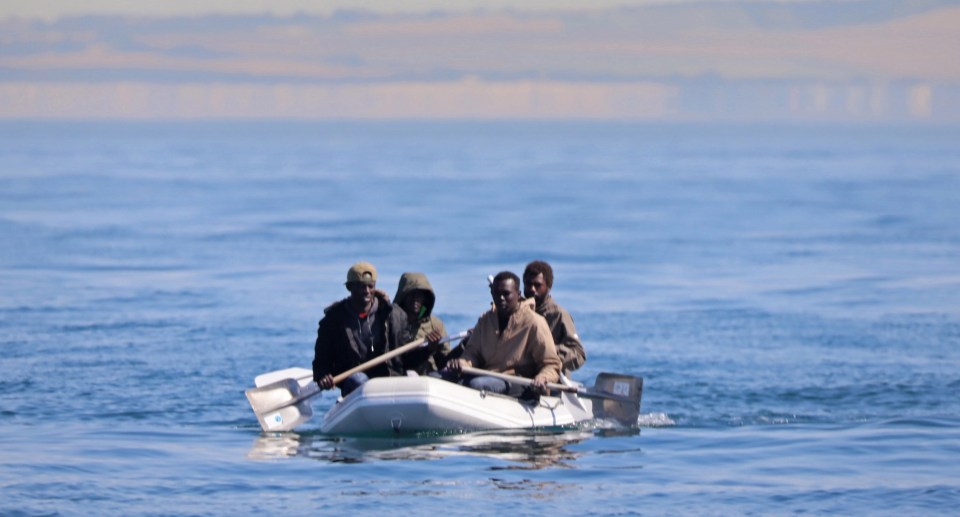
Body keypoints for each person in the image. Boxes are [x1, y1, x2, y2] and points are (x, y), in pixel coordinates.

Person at [446, 271, 562, 396]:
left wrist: (543, 378)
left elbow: (551, 364)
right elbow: (472, 354)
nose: (501, 298)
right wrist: (461, 364)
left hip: (517, 381)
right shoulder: (485, 320)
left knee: (478, 385)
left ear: (518, 294)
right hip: (487, 375)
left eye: (506, 294)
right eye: (497, 293)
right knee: (437, 376)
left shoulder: (534, 322)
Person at [312, 261, 409, 396]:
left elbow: (408, 355)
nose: (367, 291)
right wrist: (323, 375)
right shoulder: (333, 320)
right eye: (361, 287)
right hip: (355, 383)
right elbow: (321, 360)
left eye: (371, 286)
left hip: (388, 380)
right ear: (349, 288)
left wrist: (430, 348)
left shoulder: (393, 315)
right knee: (358, 380)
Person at [522, 260, 586, 374]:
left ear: (548, 286)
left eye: (537, 285)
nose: (532, 289)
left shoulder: (559, 315)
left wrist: (549, 353)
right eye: (528, 284)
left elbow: (579, 354)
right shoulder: (517, 312)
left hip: (550, 379)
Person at [393, 272, 449, 374]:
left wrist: (463, 345)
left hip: (431, 379)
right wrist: (427, 349)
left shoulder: (435, 324)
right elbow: (400, 361)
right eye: (411, 294)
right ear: (403, 296)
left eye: (419, 295)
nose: (415, 299)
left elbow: (444, 361)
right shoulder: (392, 324)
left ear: (426, 298)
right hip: (401, 379)